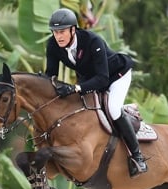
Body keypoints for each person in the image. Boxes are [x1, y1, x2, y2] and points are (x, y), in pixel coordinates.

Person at [44, 8, 148, 177]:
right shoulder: (53, 45)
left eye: (62, 31)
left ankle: (138, 157)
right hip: (90, 79)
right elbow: (50, 75)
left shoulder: (92, 41)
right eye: (55, 32)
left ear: (73, 29)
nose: (58, 36)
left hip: (116, 75)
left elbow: (102, 79)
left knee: (113, 109)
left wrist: (75, 88)